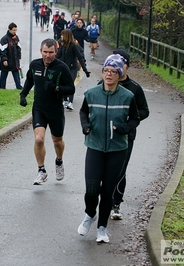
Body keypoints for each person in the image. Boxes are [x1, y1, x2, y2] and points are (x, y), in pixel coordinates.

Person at [77, 54, 140, 243]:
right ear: (103, 72)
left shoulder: (128, 96)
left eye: (113, 72)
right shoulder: (92, 93)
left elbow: (135, 118)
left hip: (117, 150)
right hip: (95, 147)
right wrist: (85, 126)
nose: (109, 74)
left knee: (107, 192)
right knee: (92, 189)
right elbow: (83, 112)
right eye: (106, 71)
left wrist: (125, 129)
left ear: (120, 74)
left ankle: (102, 228)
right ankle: (90, 215)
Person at [19, 38, 75, 185]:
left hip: (55, 110)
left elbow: (71, 88)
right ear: (40, 51)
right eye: (45, 52)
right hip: (39, 108)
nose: (48, 55)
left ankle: (59, 161)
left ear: (56, 52)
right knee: (39, 139)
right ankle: (41, 170)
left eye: (51, 52)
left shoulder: (61, 68)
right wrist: (23, 95)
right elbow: (30, 80)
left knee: (57, 141)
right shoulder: (34, 65)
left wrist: (56, 88)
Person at [109, 49, 149, 220]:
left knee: (120, 170)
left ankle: (116, 204)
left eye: (121, 63)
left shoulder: (135, 89)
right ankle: (104, 202)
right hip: (106, 136)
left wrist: (129, 122)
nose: (117, 66)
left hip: (126, 136)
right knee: (104, 170)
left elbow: (144, 111)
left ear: (126, 66)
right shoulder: (104, 84)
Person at [56, 29, 90, 110]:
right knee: (63, 83)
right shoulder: (62, 45)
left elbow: (80, 57)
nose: (61, 36)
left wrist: (85, 70)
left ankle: (70, 102)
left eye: (62, 35)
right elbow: (58, 56)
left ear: (66, 36)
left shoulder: (73, 46)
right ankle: (64, 100)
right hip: (64, 68)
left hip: (72, 68)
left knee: (70, 83)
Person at [0, 22, 23, 90]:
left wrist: (19, 57)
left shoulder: (16, 38)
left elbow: (19, 48)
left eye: (16, 30)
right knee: (4, 74)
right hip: (7, 60)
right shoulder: (4, 39)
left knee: (16, 74)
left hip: (14, 61)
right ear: (9, 30)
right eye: (13, 30)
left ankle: (19, 87)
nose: (15, 32)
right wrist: (4, 59)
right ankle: (2, 88)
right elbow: (2, 51)